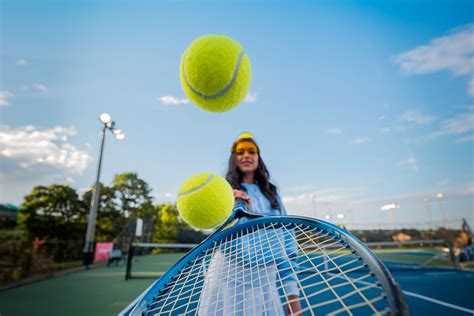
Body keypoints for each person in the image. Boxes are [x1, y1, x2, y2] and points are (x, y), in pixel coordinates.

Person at [198, 132, 301, 315]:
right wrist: (228, 205)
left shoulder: (273, 195)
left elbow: (288, 243)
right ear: (234, 158)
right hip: (227, 277)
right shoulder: (225, 192)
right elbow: (216, 232)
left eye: (251, 151)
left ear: (258, 157)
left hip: (265, 280)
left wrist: (292, 295)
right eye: (240, 152)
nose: (246, 155)